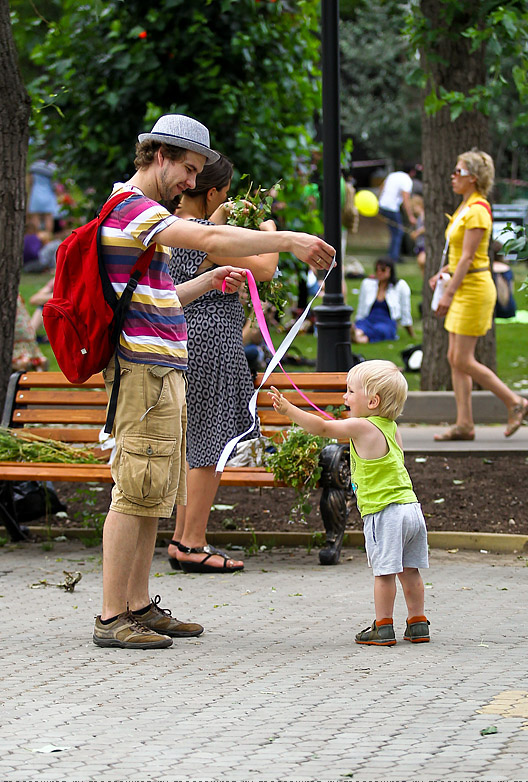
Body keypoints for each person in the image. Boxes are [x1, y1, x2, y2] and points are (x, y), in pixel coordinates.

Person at [92, 113, 335, 650]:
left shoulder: (142, 212)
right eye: (187, 169)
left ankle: (137, 604)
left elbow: (158, 300)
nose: (191, 183)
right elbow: (207, 233)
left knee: (154, 491)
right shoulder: (132, 208)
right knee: (133, 493)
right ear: (160, 156)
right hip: (143, 370)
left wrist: (204, 281)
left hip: (161, 365)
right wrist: (290, 239)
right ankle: (113, 617)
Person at [166, 154, 278, 573]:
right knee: (211, 443)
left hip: (182, 339)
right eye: (224, 192)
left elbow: (209, 231)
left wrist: (225, 213)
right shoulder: (207, 233)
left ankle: (181, 539)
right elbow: (266, 266)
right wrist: (268, 227)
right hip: (213, 339)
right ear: (211, 193)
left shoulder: (173, 227)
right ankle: (194, 542)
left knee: (194, 441)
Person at [268, 360, 430, 647]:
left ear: (372, 400)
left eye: (350, 391)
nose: (345, 397)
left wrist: (288, 410)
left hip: (386, 512)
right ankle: (417, 622)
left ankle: (383, 626)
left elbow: (322, 428)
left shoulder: (362, 426)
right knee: (410, 570)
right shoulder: (391, 428)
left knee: (384, 573)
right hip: (411, 509)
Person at [428, 149, 528, 441]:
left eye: (458, 172)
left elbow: (469, 258)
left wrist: (447, 293)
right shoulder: (465, 207)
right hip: (462, 285)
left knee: (463, 359)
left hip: (472, 289)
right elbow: (458, 256)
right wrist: (443, 274)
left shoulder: (478, 210)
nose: (453, 176)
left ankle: (515, 402)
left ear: (473, 178)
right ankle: (464, 424)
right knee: (453, 357)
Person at [352, 257, 414, 344]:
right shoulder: (368, 284)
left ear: (390, 271)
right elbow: (361, 308)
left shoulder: (400, 286)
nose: (379, 272)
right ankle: (357, 334)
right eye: (377, 270)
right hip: (369, 318)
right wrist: (358, 320)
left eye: (383, 270)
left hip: (386, 321)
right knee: (361, 326)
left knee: (380, 330)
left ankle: (359, 338)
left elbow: (405, 311)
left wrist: (411, 334)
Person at [378, 164, 417, 263]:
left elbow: (381, 187)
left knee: (395, 232)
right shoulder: (407, 180)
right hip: (391, 207)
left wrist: (379, 201)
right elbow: (405, 199)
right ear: (412, 172)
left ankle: (393, 254)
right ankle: (393, 257)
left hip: (382, 205)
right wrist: (411, 216)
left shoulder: (393, 175)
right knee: (398, 232)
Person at [27, 159, 59, 234]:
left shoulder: (34, 167)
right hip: (49, 195)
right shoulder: (52, 168)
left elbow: (30, 182)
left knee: (35, 216)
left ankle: (37, 235)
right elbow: (55, 185)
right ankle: (48, 236)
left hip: (36, 195)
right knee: (48, 217)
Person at [492, 240, 517, 319]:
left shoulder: (487, 269)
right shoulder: (507, 269)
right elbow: (512, 290)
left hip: (492, 311)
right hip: (509, 310)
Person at [409, 194, 425, 274]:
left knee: (421, 261)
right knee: (420, 265)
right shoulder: (418, 218)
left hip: (424, 244)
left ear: (420, 205)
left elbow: (426, 227)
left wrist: (417, 233)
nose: (413, 210)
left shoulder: (424, 216)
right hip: (419, 244)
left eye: (414, 207)